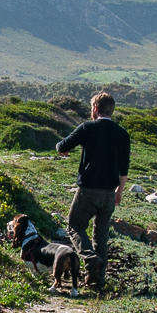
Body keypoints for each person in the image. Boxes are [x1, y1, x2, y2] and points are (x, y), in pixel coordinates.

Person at [55, 92, 131, 292]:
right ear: (111, 110)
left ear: (95, 109)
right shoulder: (122, 133)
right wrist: (119, 191)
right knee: (101, 234)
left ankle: (90, 259)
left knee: (74, 226)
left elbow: (63, 145)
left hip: (88, 190)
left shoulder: (88, 127)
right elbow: (124, 169)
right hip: (109, 192)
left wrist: (62, 150)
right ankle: (97, 280)